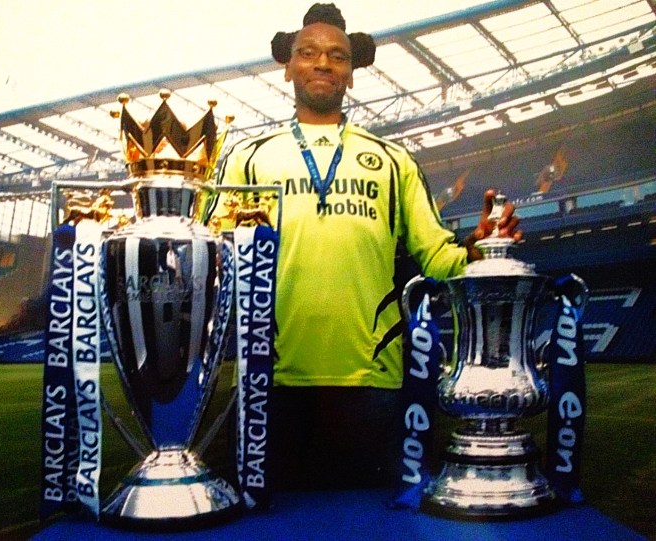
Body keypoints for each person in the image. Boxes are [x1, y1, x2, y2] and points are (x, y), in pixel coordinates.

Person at [213, 3, 521, 490]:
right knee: (267, 520)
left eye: (337, 56)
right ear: (288, 66)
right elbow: (217, 256)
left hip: (375, 383)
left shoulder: (393, 160)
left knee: (376, 519)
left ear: (351, 74)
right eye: (308, 52)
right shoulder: (247, 158)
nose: (322, 62)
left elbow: (438, 258)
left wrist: (481, 249)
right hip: (269, 380)